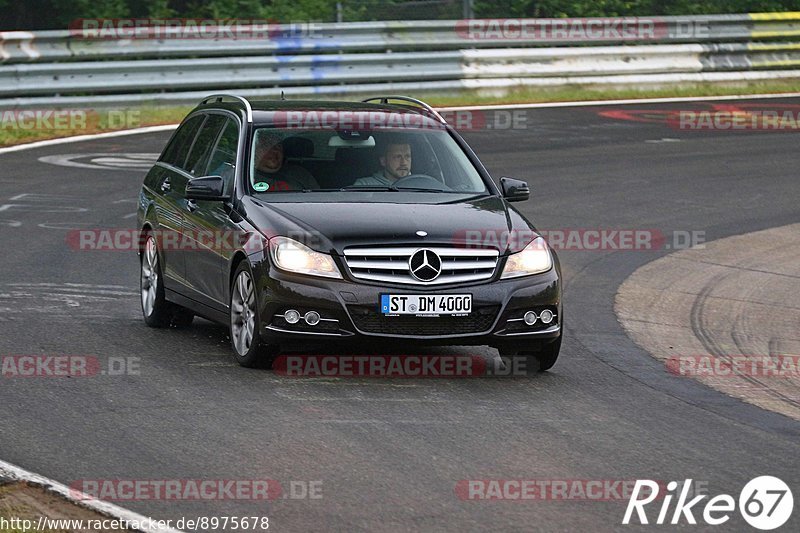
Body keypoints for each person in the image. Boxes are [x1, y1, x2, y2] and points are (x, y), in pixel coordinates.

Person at [252, 133, 319, 191]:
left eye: (278, 146)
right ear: (254, 150)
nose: (275, 151)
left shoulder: (300, 174)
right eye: (266, 146)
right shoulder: (246, 179)